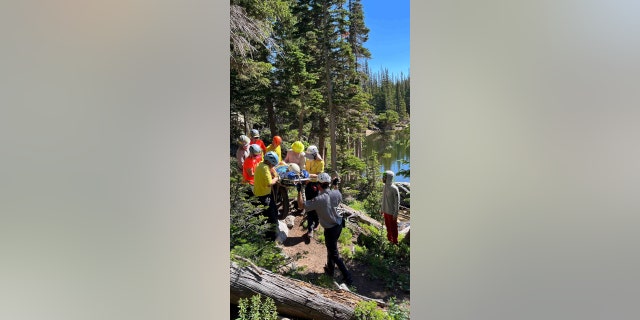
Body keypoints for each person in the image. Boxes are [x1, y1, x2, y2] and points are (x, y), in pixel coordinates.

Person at [296, 173, 353, 285]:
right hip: (339, 225)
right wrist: (335, 185)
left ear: (318, 185)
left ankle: (348, 277)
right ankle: (330, 270)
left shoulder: (319, 200)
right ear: (329, 184)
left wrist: (299, 191)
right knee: (331, 248)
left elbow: (301, 205)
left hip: (330, 228)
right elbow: (335, 193)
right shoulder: (336, 193)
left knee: (334, 253)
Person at [253, 151, 281, 240]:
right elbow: (269, 183)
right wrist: (276, 178)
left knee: (267, 214)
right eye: (273, 164)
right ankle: (271, 238)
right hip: (264, 196)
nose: (273, 166)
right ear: (269, 162)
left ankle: (266, 235)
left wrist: (273, 171)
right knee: (273, 217)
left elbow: (270, 171)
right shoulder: (265, 168)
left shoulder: (261, 164)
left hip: (258, 194)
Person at [303, 145, 325, 239]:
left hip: (316, 185)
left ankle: (317, 222)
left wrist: (309, 176)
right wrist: (304, 175)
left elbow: (319, 175)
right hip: (308, 184)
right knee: (309, 207)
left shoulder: (320, 162)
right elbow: (305, 169)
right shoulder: (308, 159)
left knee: (315, 206)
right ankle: (310, 229)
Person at [381, 170, 400, 244]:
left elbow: (397, 202)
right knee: (388, 226)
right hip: (386, 211)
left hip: (392, 212)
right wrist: (382, 209)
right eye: (383, 177)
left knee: (393, 228)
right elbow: (383, 199)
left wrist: (396, 213)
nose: (383, 178)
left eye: (384, 177)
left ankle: (395, 241)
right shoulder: (385, 186)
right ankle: (389, 240)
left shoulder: (394, 188)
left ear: (389, 178)